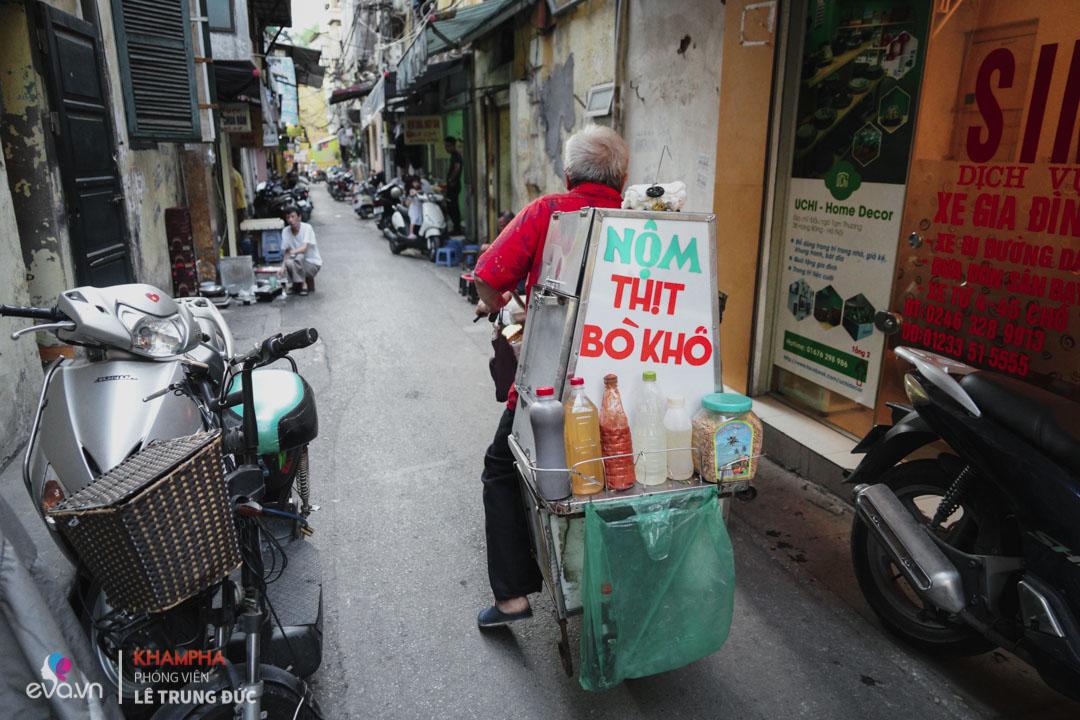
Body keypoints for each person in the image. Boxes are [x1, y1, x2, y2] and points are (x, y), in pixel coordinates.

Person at [471, 125, 629, 627]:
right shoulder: (639, 219)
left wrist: (499, 303)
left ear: (567, 174)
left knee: (502, 467)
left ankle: (513, 599)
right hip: (628, 382)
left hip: (554, 381)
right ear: (623, 178)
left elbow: (487, 277)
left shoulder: (550, 211)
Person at [279, 205, 322, 296]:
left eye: (293, 216)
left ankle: (303, 284)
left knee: (299, 256)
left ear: (299, 217)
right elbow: (287, 252)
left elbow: (304, 248)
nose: (290, 220)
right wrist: (282, 267)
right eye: (288, 217)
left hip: (312, 264)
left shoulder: (307, 228)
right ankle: (297, 284)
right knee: (289, 262)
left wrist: (292, 252)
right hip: (298, 264)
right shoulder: (285, 231)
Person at [444, 136, 464, 235]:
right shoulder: (453, 155)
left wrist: (451, 179)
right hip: (452, 186)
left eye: (448, 146)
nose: (446, 148)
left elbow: (457, 168)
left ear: (453, 146)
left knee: (453, 208)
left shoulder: (456, 156)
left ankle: (457, 229)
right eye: (445, 146)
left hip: (454, 186)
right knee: (451, 207)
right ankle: (456, 228)